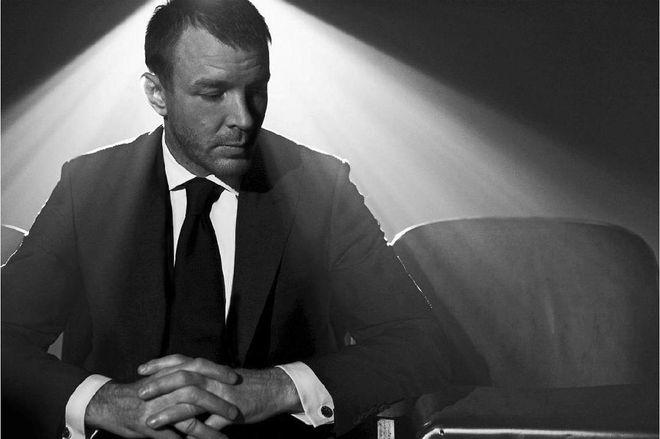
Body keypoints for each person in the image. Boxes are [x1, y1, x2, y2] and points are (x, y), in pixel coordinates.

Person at [1, 0, 450, 438]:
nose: (244, 118)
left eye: (256, 89)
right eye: (213, 93)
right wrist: (101, 401)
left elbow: (419, 343)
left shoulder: (321, 188)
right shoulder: (88, 187)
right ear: (157, 93)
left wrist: (278, 388)